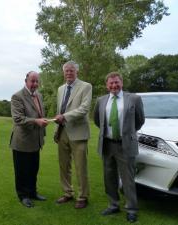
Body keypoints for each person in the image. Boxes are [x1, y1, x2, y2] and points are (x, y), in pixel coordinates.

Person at [94, 72, 145, 223]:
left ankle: (131, 209)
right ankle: (113, 205)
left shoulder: (134, 99)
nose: (114, 85)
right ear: (107, 85)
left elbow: (140, 120)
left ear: (121, 83)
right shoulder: (101, 100)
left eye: (116, 82)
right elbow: (98, 120)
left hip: (125, 145)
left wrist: (127, 133)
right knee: (109, 177)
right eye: (111, 83)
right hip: (107, 144)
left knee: (128, 179)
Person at [54, 61, 92, 209]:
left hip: (78, 133)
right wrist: (58, 125)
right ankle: (67, 193)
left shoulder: (86, 86)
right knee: (64, 166)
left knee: (80, 167)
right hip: (62, 131)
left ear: (77, 72)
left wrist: (65, 116)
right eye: (66, 71)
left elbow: (84, 109)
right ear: (63, 73)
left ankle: (83, 196)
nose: (68, 73)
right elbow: (60, 110)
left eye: (71, 70)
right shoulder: (60, 89)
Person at [10, 71, 48, 208]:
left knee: (33, 169)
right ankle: (23, 196)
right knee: (22, 171)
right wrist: (37, 121)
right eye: (32, 81)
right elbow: (18, 119)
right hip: (22, 142)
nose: (35, 84)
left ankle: (32, 192)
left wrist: (42, 123)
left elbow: (39, 114)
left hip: (35, 141)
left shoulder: (39, 95)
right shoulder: (17, 96)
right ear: (26, 81)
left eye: (37, 81)